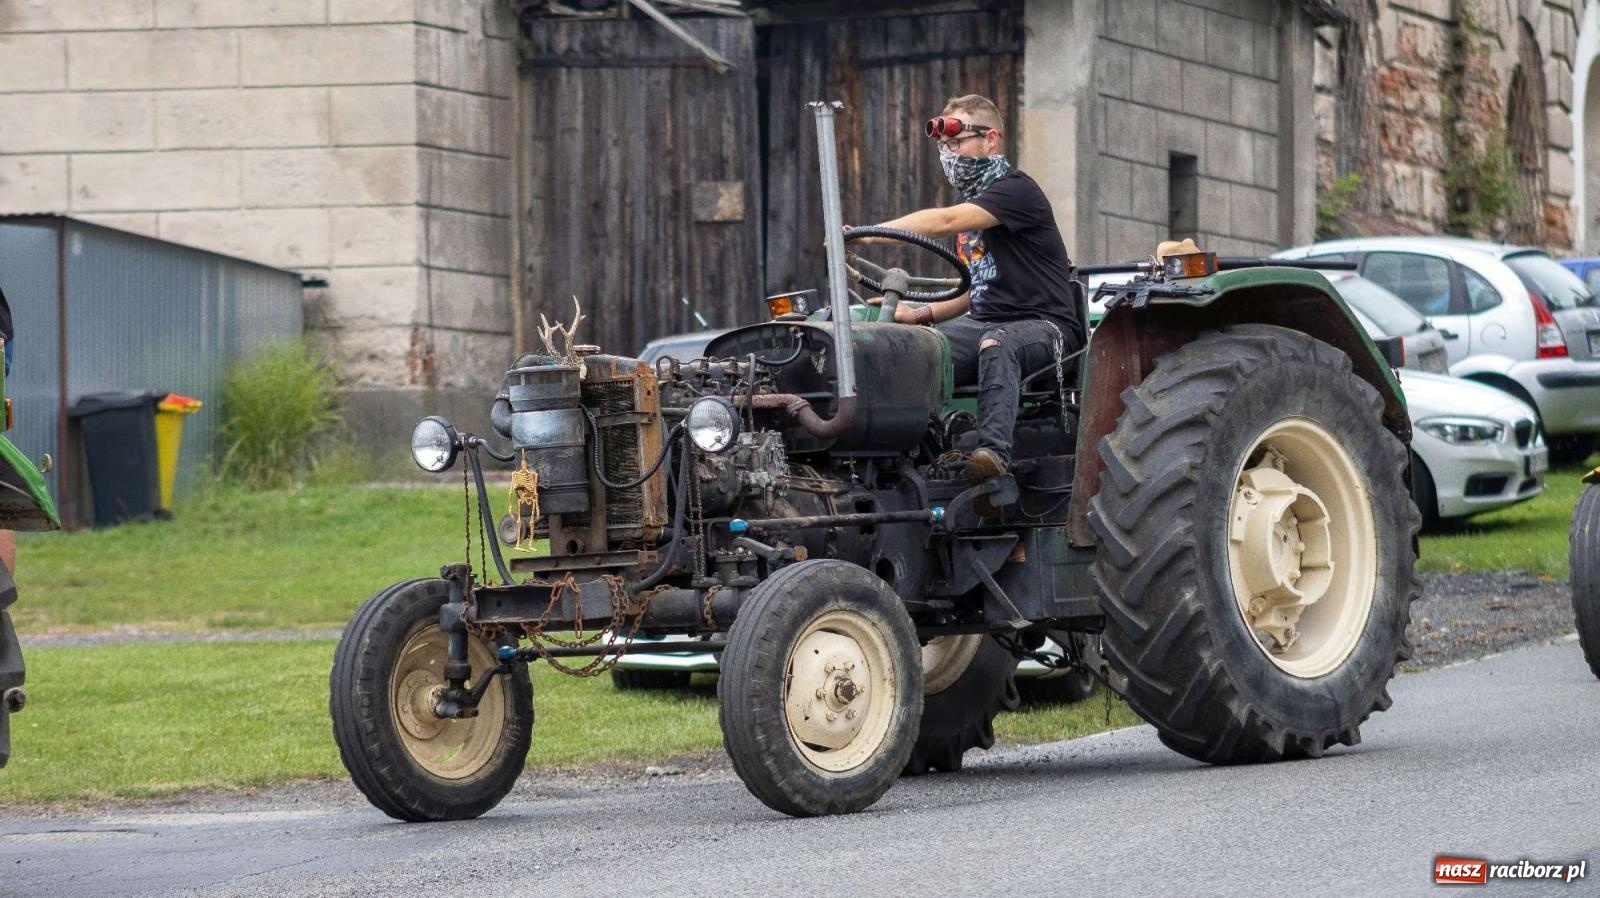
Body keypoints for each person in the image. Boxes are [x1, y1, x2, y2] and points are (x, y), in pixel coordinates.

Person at [865, 94, 1082, 484]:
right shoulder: (974, 212)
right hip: (984, 322)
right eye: (945, 146)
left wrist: (868, 236)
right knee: (919, 351)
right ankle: (912, 458)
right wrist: (917, 318)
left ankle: (991, 456)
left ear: (991, 139)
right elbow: (975, 289)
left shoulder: (1016, 192)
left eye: (958, 141)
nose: (950, 153)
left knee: (998, 344)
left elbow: (945, 218)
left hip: (1046, 327)